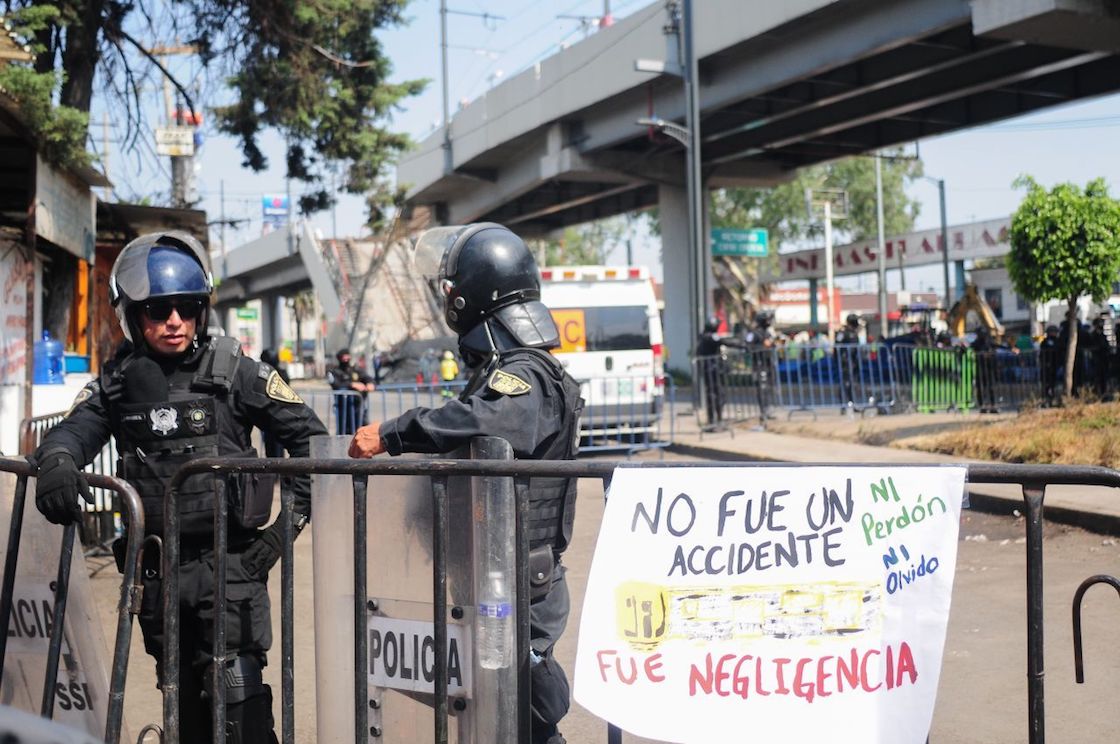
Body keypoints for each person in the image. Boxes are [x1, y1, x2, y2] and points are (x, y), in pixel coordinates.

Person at [31, 231, 327, 744]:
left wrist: (281, 535)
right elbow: (73, 433)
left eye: (187, 309)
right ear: (132, 316)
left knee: (241, 712)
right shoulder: (118, 385)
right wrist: (56, 461)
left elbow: (314, 445)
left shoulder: (238, 373)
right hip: (157, 572)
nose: (174, 321)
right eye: (158, 310)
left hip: (232, 566)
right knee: (183, 710)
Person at [347, 223, 583, 744]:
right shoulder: (505, 371)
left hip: (521, 586)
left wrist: (393, 432)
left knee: (524, 719)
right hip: (492, 579)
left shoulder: (528, 375)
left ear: (468, 298)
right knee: (489, 718)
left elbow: (486, 421)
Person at [327, 347, 375, 435]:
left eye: (347, 357)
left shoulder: (355, 369)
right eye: (343, 357)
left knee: (363, 430)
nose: (346, 359)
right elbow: (336, 385)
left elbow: (367, 378)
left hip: (358, 406)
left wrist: (370, 383)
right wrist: (351, 384)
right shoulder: (334, 372)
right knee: (344, 432)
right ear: (339, 358)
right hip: (343, 407)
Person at [260, 348, 291, 457]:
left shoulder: (269, 374)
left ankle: (278, 469)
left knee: (275, 445)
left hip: (274, 413)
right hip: (270, 413)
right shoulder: (278, 373)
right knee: (271, 444)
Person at [834, 313, 863, 410]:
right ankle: (843, 405)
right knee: (845, 383)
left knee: (852, 383)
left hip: (853, 361)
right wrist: (839, 360)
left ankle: (852, 403)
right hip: (845, 362)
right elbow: (837, 347)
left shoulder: (854, 333)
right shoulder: (843, 333)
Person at [972, 325, 999, 413]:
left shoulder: (989, 342)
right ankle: (982, 406)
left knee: (990, 387)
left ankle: (992, 405)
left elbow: (996, 347)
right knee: (980, 388)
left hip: (989, 368)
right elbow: (970, 348)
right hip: (980, 368)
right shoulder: (976, 343)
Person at [1039, 324, 1061, 405]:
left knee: (1052, 384)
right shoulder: (1045, 342)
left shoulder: (1057, 341)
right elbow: (1042, 354)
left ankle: (1051, 399)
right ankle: (1045, 400)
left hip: (1054, 366)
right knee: (1045, 384)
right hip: (1046, 366)